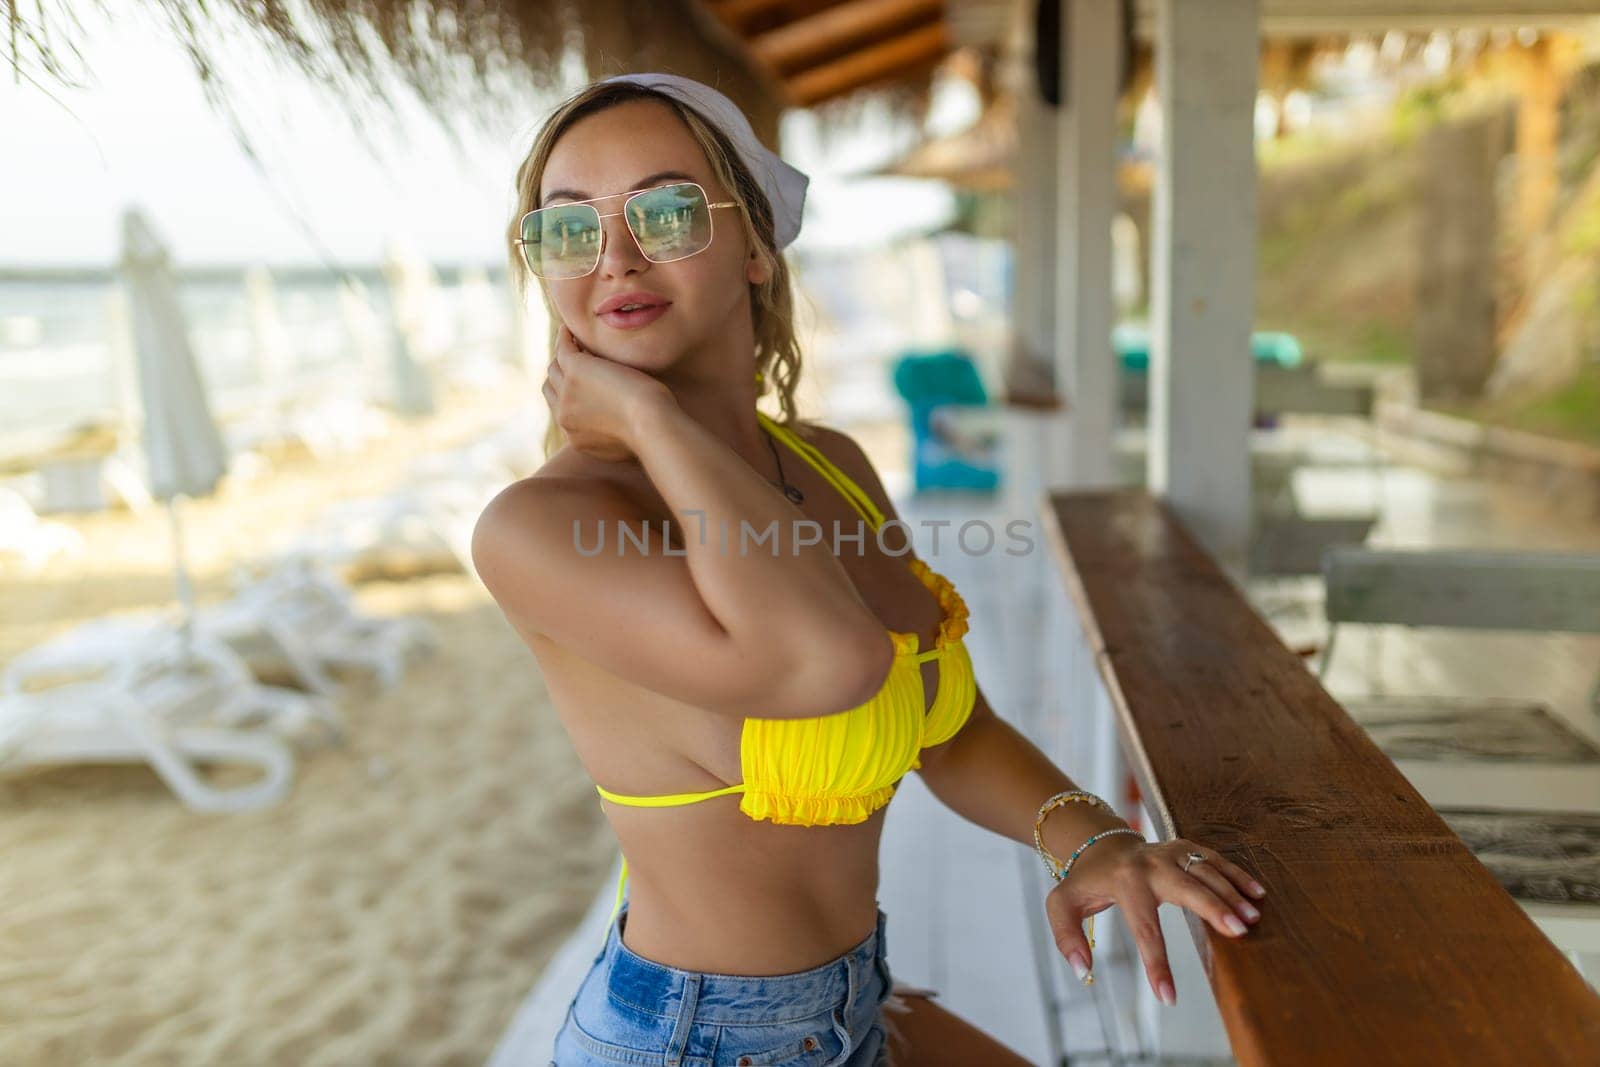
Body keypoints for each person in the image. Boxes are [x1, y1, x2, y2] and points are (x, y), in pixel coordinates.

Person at [472, 71, 1269, 1067]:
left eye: (667, 210)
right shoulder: (543, 527)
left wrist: (1090, 838)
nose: (617, 255)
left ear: (756, 246)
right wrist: (646, 417)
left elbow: (953, 726)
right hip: (692, 1037)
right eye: (566, 229)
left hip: (848, 1004)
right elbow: (826, 661)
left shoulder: (828, 466)